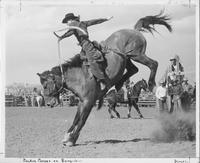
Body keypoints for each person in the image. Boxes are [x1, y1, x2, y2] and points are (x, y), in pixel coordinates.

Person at [54, 13, 113, 91]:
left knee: (92, 60)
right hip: (84, 46)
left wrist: (61, 37)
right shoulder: (81, 23)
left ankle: (103, 81)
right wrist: (105, 18)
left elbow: (69, 32)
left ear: (71, 20)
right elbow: (94, 21)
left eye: (67, 22)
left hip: (87, 45)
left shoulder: (74, 25)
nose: (67, 24)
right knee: (82, 59)